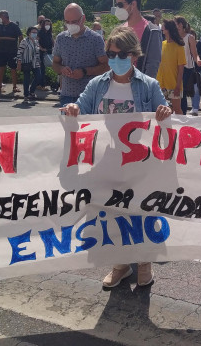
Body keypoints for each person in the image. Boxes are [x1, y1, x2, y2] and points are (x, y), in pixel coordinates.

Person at [61, 26, 172, 288]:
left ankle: (144, 263)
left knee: (141, 211)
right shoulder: (96, 84)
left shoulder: (148, 85)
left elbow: (163, 117)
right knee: (112, 213)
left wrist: (164, 114)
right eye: (111, 53)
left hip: (139, 162)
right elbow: (81, 109)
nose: (115, 58)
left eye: (122, 54)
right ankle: (120, 264)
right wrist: (73, 108)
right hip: (106, 162)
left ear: (134, 55)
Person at [52, 3, 109, 106]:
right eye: (67, 22)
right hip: (67, 95)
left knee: (89, 123)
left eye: (74, 22)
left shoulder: (95, 39)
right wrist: (62, 69)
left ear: (83, 18)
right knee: (68, 122)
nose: (70, 25)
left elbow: (106, 66)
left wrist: (85, 71)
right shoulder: (61, 38)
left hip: (90, 95)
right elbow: (55, 63)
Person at [114, 0, 161, 78]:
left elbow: (152, 66)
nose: (117, 9)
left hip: (139, 87)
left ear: (133, 4)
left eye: (120, 5)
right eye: (116, 5)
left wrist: (143, 89)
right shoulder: (119, 30)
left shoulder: (152, 31)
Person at [157, 19, 186, 114]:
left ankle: (182, 127)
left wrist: (178, 86)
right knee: (162, 109)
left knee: (177, 109)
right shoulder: (162, 44)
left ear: (168, 29)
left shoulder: (179, 46)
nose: (162, 28)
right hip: (161, 83)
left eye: (164, 26)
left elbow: (181, 68)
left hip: (174, 84)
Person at [176, 16, 201, 115]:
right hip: (175, 68)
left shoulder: (189, 37)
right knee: (178, 92)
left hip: (187, 68)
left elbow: (195, 54)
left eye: (177, 24)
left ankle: (183, 112)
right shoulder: (173, 38)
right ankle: (181, 112)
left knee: (183, 91)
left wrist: (198, 61)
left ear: (181, 25)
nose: (176, 26)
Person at [0, 10, 22, 96]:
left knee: (13, 68)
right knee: (1, 68)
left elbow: (20, 36)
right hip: (1, 50)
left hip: (12, 50)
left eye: (0, 16)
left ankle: (14, 86)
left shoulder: (14, 26)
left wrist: (20, 48)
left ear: (5, 16)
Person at [17, 26, 42, 103]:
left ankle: (32, 91)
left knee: (38, 76)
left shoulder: (36, 41)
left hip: (35, 63)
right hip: (26, 62)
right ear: (29, 33)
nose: (34, 34)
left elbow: (37, 52)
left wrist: (39, 61)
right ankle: (26, 94)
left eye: (35, 32)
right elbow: (19, 52)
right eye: (33, 32)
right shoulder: (24, 41)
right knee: (26, 79)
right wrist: (19, 62)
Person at [37, 18, 54, 89]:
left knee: (45, 68)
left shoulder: (49, 33)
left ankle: (40, 84)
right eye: (46, 24)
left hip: (49, 52)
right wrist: (41, 48)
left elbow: (52, 41)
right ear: (43, 25)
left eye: (49, 24)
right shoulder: (40, 32)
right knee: (42, 69)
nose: (48, 25)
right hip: (42, 53)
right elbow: (36, 41)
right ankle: (41, 85)